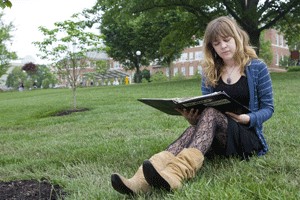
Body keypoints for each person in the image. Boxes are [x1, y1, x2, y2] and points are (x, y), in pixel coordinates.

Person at [110, 16, 274, 195]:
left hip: (247, 137)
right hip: (218, 138)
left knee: (210, 113)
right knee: (193, 129)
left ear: (237, 38)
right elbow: (206, 108)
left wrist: (248, 118)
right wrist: (193, 118)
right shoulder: (209, 71)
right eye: (217, 43)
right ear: (212, 47)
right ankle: (139, 180)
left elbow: (268, 107)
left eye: (227, 40)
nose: (223, 46)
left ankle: (176, 174)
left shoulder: (257, 68)